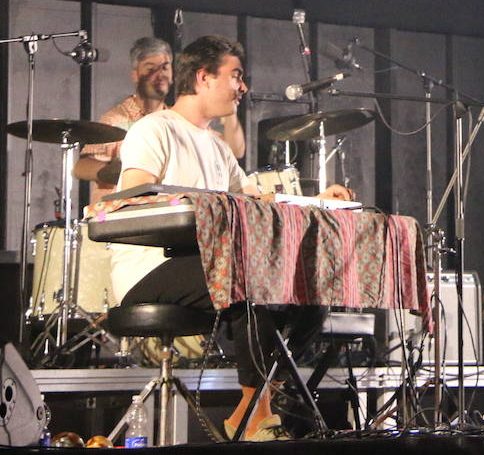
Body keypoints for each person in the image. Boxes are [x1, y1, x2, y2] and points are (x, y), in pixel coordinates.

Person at [110, 35, 352, 441]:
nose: (243, 86)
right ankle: (257, 418)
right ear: (203, 77)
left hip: (212, 267)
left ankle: (253, 408)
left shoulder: (219, 148)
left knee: (312, 289)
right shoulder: (154, 130)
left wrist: (317, 201)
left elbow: (257, 202)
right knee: (250, 276)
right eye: (235, 76)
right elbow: (135, 198)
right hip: (150, 269)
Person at [74, 36, 244, 206]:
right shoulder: (117, 119)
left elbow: (234, 150)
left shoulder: (186, 124)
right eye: (151, 68)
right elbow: (81, 167)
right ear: (135, 75)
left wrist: (229, 103)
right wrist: (125, 168)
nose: (160, 74)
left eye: (165, 67)